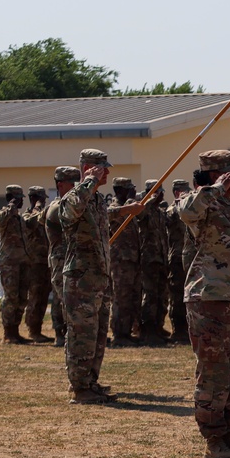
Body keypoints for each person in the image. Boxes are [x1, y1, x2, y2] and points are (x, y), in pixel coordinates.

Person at [179, 150, 230, 458]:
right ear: (220, 174)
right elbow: (185, 211)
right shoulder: (201, 201)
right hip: (210, 299)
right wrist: (212, 188)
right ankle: (213, 440)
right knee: (213, 371)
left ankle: (228, 435)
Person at [60, 149, 140, 404]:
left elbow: (104, 215)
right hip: (81, 278)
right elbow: (70, 212)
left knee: (96, 333)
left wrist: (126, 210)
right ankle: (79, 386)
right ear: (88, 168)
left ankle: (90, 382)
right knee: (81, 332)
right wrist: (88, 181)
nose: (106, 173)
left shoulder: (95, 200)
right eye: (101, 168)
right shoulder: (75, 196)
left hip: (99, 277)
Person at [44, 167, 81, 348]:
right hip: (60, 260)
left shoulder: (69, 204)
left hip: (71, 258)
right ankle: (61, 333)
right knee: (62, 299)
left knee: (71, 299)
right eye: (71, 184)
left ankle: (71, 334)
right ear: (60, 185)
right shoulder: (57, 207)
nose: (75, 187)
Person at [0, 184, 32, 344]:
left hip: (23, 261)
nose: (22, 203)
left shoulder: (19, 218)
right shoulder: (4, 215)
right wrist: (10, 207)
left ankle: (15, 331)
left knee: (22, 297)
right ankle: (8, 332)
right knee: (11, 297)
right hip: (9, 263)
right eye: (20, 199)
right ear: (14, 199)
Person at [108, 178, 143, 347]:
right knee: (121, 297)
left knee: (132, 296)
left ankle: (128, 331)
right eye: (130, 190)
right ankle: (119, 333)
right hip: (120, 260)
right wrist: (129, 202)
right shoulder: (115, 208)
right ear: (120, 191)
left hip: (132, 259)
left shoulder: (131, 208)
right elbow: (112, 215)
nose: (133, 193)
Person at [137, 180, 171, 345]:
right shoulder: (145, 209)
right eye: (157, 192)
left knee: (160, 296)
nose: (160, 195)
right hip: (149, 259)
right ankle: (148, 330)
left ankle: (158, 326)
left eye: (161, 192)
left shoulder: (159, 212)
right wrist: (150, 200)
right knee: (149, 296)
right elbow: (138, 216)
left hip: (161, 258)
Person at [23, 186, 53, 343]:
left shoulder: (43, 215)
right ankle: (32, 330)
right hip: (34, 263)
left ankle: (38, 329)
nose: (43, 202)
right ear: (33, 198)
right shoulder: (28, 215)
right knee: (35, 296)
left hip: (45, 262)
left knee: (43, 297)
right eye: (41, 198)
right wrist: (38, 208)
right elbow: (30, 224)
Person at [165, 179, 192, 343]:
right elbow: (170, 217)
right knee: (176, 295)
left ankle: (186, 328)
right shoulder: (172, 209)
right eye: (183, 191)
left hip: (187, 257)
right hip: (176, 257)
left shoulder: (187, 208)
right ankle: (178, 329)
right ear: (176, 193)